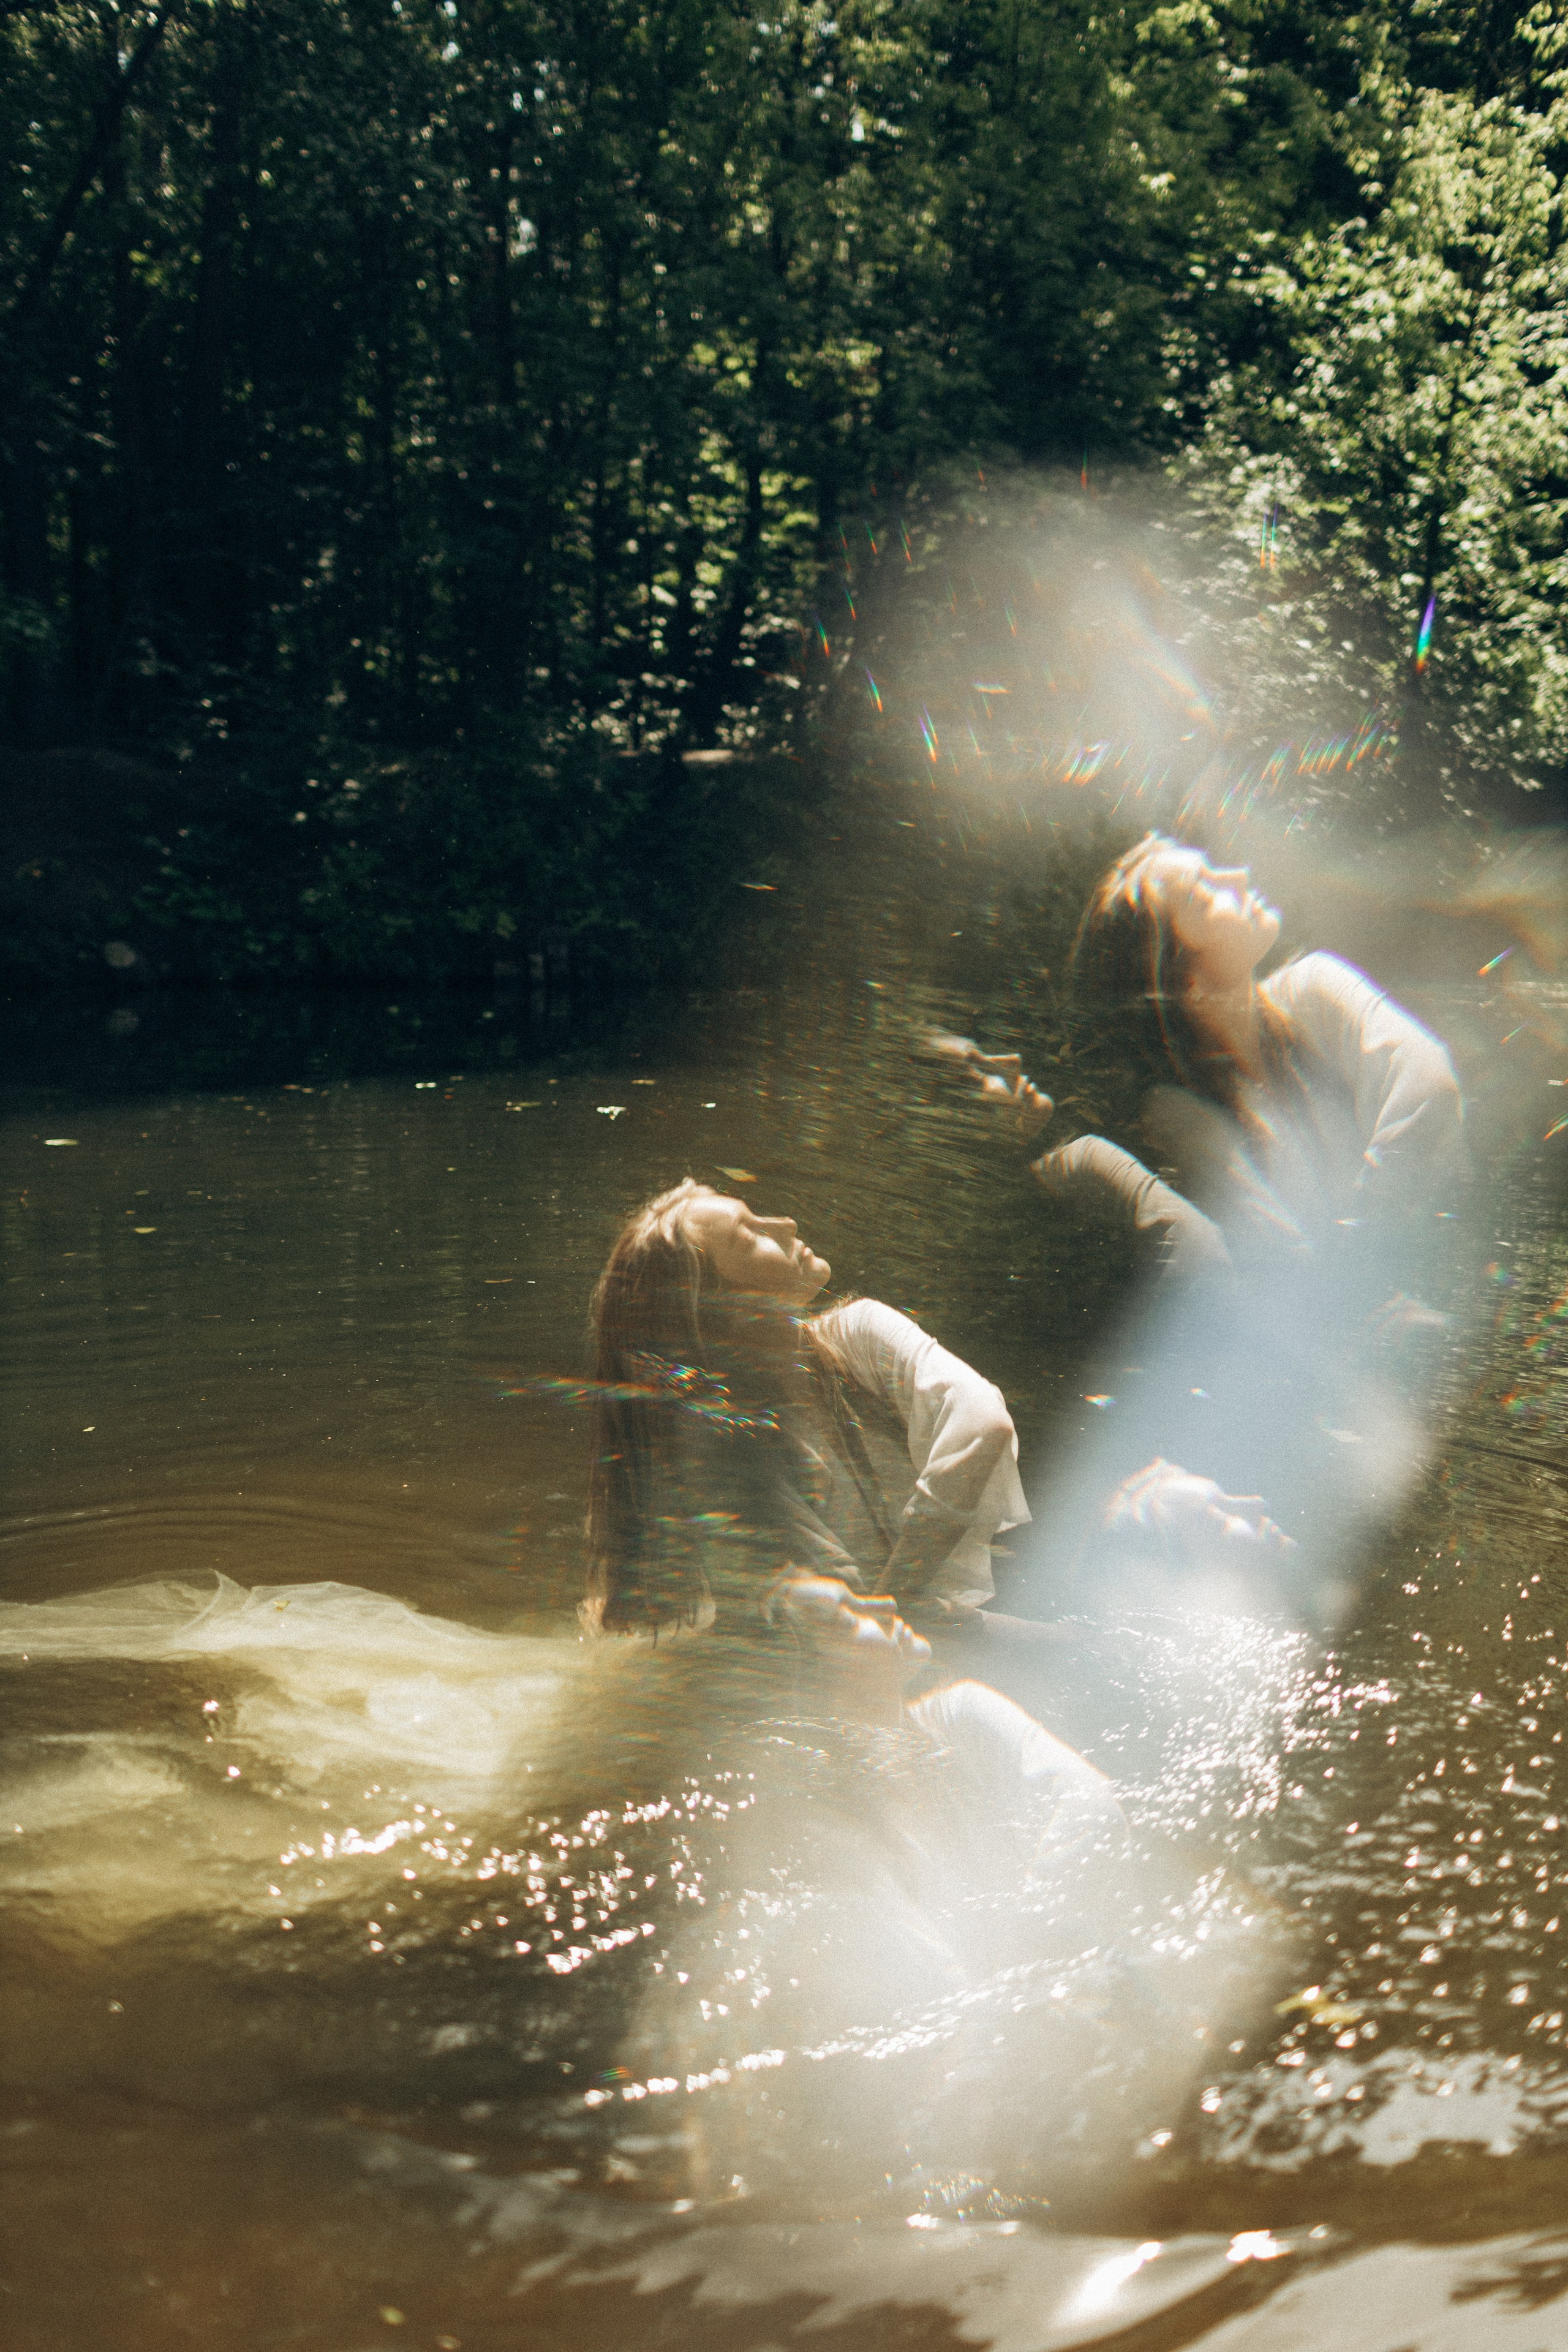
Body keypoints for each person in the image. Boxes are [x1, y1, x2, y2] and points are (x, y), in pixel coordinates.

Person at [582, 1179, 1294, 1686]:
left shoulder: (856, 1332)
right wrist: (892, 1618)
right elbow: (807, 1613)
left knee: (1131, 1611)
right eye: (749, 1237)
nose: (785, 1227)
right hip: (841, 1657)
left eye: (759, 1215)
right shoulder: (722, 1439)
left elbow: (981, 1417)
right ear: (718, 1309)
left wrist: (900, 1594)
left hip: (906, 1619)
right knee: (1115, 1674)